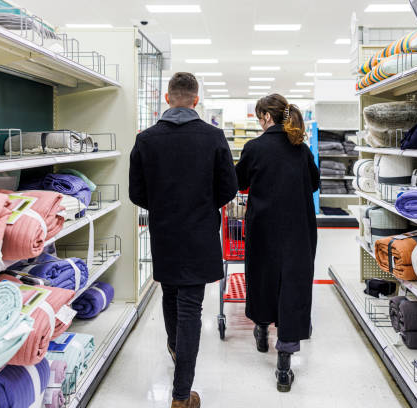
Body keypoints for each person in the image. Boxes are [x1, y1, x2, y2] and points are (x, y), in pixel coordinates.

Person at [129, 72, 238, 408]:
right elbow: (229, 188)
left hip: (164, 233)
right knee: (191, 308)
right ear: (195, 100)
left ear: (167, 98)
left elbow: (137, 193)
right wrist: (202, 204)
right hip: (199, 234)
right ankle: (180, 396)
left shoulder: (146, 140)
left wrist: (164, 205)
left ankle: (177, 350)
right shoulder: (213, 137)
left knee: (169, 292)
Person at [235, 94, 320, 392]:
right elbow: (314, 183)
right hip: (298, 230)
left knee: (263, 280)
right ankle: (284, 365)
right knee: (293, 287)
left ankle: (261, 328)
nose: (259, 121)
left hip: (264, 230)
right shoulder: (301, 148)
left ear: (267, 118)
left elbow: (239, 181)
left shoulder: (254, 148)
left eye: (260, 116)